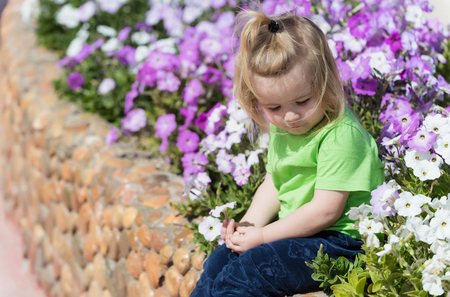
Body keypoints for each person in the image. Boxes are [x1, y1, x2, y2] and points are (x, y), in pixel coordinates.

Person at [190, 6, 385, 297]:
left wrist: (265, 235)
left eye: (303, 100)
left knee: (250, 271)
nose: (290, 116)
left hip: (342, 243)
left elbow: (325, 211)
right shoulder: (285, 128)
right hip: (300, 236)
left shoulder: (340, 135)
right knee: (220, 260)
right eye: (274, 108)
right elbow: (275, 182)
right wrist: (248, 227)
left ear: (327, 79)